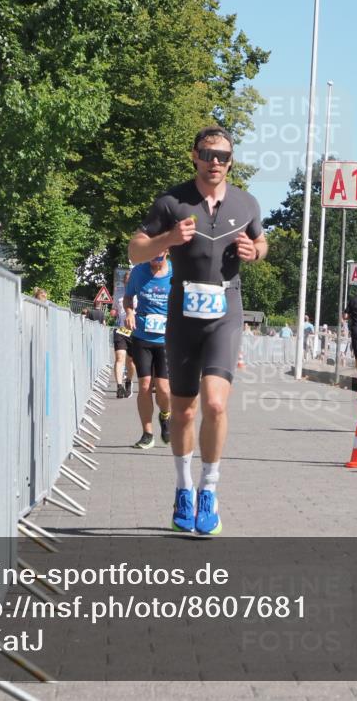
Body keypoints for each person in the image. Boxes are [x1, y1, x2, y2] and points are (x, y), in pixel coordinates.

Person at [128, 125, 267, 535]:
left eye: (223, 156)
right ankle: (183, 488)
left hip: (225, 308)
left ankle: (210, 489)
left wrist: (254, 252)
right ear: (194, 156)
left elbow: (262, 244)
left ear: (231, 161)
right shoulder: (172, 201)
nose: (215, 162)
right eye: (208, 154)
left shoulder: (247, 203)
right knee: (185, 410)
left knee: (217, 404)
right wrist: (168, 239)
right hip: (183, 313)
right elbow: (136, 249)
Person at [124, 252, 173, 449]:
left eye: (159, 258)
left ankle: (165, 414)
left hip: (167, 339)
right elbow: (128, 298)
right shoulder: (138, 272)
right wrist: (129, 312)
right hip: (142, 335)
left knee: (163, 388)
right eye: (152, 257)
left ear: (167, 253)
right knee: (144, 385)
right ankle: (147, 433)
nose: (155, 261)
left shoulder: (177, 273)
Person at [113, 272, 135, 398]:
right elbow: (115, 310)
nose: (128, 283)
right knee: (120, 357)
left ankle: (129, 381)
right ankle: (119, 387)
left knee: (131, 361)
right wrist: (114, 312)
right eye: (126, 281)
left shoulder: (139, 294)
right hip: (121, 330)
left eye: (130, 280)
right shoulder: (118, 295)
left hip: (134, 331)